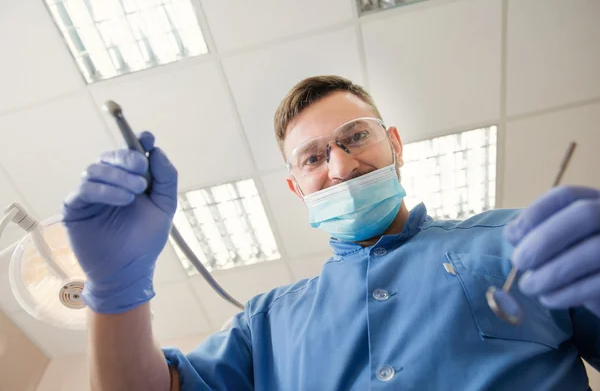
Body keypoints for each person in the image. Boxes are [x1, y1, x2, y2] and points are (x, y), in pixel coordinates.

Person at [62, 75, 600, 390]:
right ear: (298, 189)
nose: (340, 168)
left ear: (394, 145)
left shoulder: (519, 239)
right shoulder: (265, 324)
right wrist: (115, 289)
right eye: (313, 158)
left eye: (355, 138)